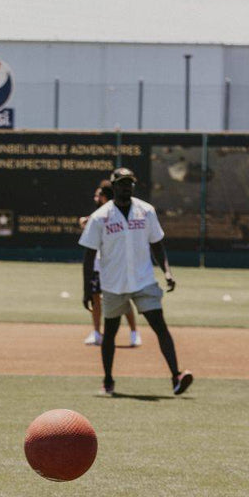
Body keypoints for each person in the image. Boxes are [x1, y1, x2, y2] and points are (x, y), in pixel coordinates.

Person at [79, 168, 193, 398]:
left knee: (160, 327)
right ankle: (108, 380)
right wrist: (86, 290)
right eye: (121, 183)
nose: (126, 187)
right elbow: (89, 255)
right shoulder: (101, 217)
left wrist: (167, 272)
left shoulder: (146, 211)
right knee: (110, 333)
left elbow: (157, 244)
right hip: (113, 284)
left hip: (143, 281)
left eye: (129, 183)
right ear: (114, 186)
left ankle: (176, 376)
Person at [79, 179, 140, 349]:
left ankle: (134, 332)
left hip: (114, 265)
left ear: (105, 197)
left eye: (98, 195)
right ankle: (97, 332)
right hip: (99, 263)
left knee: (123, 299)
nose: (96, 197)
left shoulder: (111, 213)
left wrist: (86, 222)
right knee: (95, 296)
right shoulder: (100, 213)